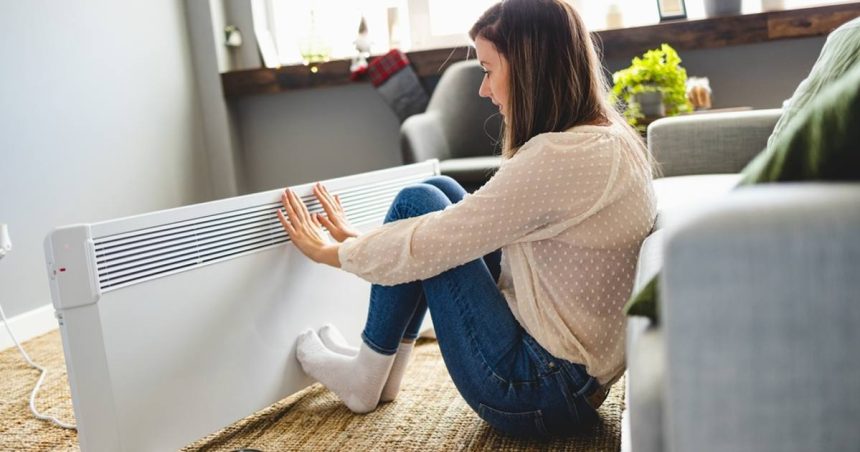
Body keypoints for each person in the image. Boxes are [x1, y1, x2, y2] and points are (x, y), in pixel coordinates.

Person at [276, 0, 656, 438]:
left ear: (530, 68)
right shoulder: (607, 139)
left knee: (420, 206)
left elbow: (438, 240)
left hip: (534, 390)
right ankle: (376, 372)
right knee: (437, 196)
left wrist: (335, 252)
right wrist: (365, 242)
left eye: (488, 69)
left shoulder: (560, 156)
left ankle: (367, 373)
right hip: (570, 383)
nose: (483, 89)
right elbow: (468, 221)